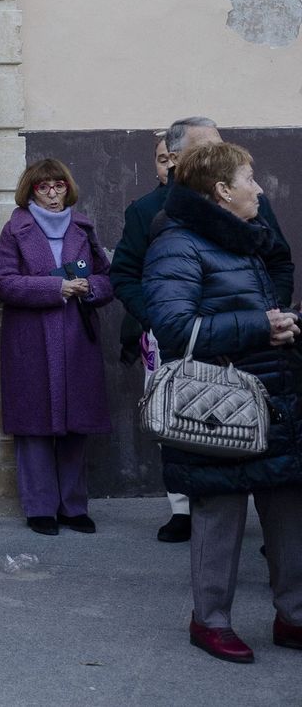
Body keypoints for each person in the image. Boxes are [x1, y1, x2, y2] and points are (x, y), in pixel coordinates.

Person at [143, 141, 302, 663]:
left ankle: (293, 617)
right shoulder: (177, 244)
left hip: (274, 394)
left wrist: (284, 325)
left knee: (288, 512)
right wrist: (260, 325)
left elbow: (261, 303)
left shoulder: (245, 238)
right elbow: (174, 328)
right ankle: (210, 621)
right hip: (215, 406)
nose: (259, 189)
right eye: (249, 179)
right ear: (221, 191)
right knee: (219, 514)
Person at [113, 116, 294, 544]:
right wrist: (159, 318)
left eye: (218, 143)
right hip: (190, 345)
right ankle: (184, 511)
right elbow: (125, 274)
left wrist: (268, 312)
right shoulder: (149, 211)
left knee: (270, 441)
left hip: (260, 345)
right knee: (195, 429)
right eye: (204, 147)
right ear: (175, 159)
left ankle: (275, 538)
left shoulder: (253, 201)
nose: (215, 152)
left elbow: (278, 261)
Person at [0, 158, 114, 536]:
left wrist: (90, 288)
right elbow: (3, 282)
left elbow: (107, 278)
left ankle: (74, 507)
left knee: (76, 425)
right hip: (31, 340)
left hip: (77, 338)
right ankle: (40, 507)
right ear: (31, 191)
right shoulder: (16, 230)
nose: (53, 194)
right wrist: (55, 287)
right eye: (43, 187)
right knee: (35, 426)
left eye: (59, 185)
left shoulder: (82, 228)